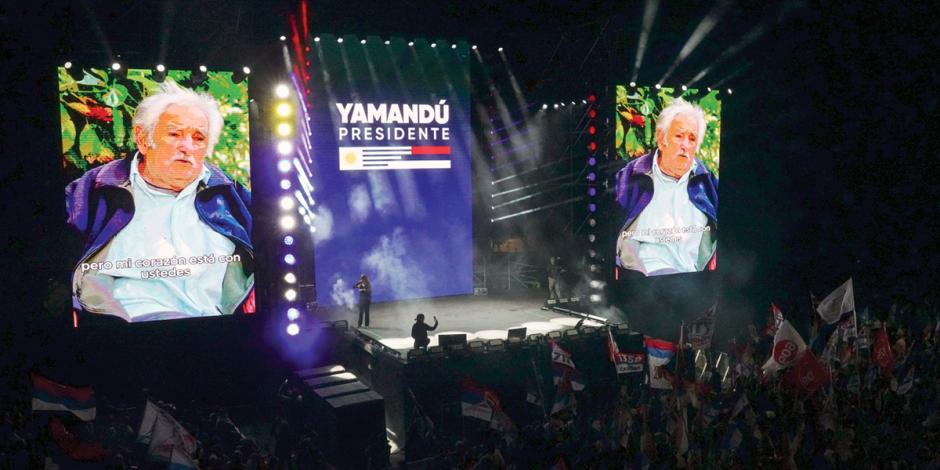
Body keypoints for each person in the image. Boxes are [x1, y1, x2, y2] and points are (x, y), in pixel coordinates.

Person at [65, 81, 253, 322]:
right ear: (143, 139)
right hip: (128, 333)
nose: (187, 147)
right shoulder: (93, 190)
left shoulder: (230, 194)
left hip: (220, 326)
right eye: (175, 134)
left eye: (198, 138)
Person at [614, 98, 718, 276]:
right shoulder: (629, 176)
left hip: (695, 280)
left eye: (692, 138)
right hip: (644, 281)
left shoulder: (708, 183)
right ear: (661, 140)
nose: (685, 145)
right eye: (679, 136)